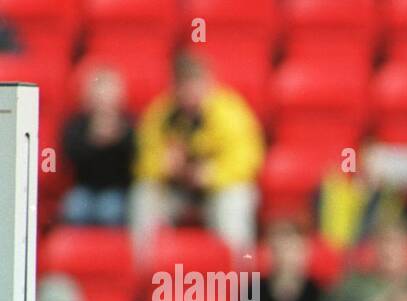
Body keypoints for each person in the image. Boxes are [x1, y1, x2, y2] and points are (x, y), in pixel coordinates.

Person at [131, 54, 264, 255]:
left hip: (217, 190)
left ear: (208, 83)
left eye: (196, 84)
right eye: (184, 86)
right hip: (178, 190)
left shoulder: (229, 112)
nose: (190, 93)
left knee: (235, 200)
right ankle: (143, 270)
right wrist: (162, 166)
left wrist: (212, 174)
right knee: (144, 195)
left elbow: (248, 159)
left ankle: (239, 275)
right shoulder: (161, 114)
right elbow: (142, 159)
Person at [60, 67, 135, 226]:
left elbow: (135, 159)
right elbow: (68, 156)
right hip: (84, 188)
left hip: (117, 190)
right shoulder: (78, 124)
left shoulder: (128, 124)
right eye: (99, 96)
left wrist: (118, 139)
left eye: (108, 95)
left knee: (110, 210)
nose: (103, 102)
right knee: (74, 208)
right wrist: (92, 141)